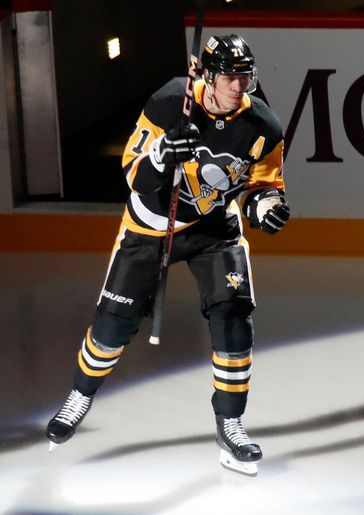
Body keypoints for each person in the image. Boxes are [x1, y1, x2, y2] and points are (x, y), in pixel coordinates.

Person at [45, 34, 289, 477]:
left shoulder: (264, 127)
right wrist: (161, 155)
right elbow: (134, 175)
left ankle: (230, 423)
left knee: (234, 318)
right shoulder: (170, 101)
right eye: (230, 77)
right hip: (151, 225)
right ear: (209, 75)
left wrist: (265, 208)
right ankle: (80, 394)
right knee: (113, 326)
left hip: (215, 227)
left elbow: (264, 186)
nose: (238, 86)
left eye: (245, 76)